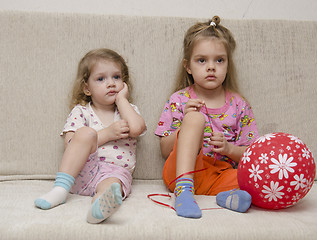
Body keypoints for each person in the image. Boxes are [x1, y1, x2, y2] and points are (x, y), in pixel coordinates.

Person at [155, 16, 259, 218]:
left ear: (228, 64)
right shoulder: (180, 100)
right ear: (188, 66)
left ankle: (225, 197)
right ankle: (184, 192)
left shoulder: (239, 104)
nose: (211, 67)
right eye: (201, 60)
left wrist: (229, 149)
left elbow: (250, 155)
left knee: (257, 177)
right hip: (179, 172)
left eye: (219, 60)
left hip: (219, 175)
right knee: (195, 119)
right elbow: (165, 150)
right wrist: (185, 125)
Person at [34, 48, 146, 223]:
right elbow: (71, 144)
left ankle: (99, 208)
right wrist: (108, 133)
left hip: (114, 172)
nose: (111, 83)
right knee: (85, 133)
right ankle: (60, 190)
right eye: (101, 79)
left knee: (111, 187)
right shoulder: (81, 112)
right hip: (81, 172)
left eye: (116, 77)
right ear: (87, 88)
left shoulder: (127, 110)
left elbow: (137, 128)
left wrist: (122, 100)